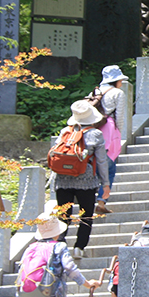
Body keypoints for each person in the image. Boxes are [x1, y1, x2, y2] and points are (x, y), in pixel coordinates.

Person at [54, 100, 111, 260]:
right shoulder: (95, 134)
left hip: (63, 180)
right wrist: (105, 183)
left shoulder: (65, 131)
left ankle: (60, 243)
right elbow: (101, 161)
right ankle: (79, 247)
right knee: (86, 215)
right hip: (86, 181)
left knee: (63, 213)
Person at [93, 65, 127, 213]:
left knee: (94, 166)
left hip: (93, 130)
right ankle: (101, 201)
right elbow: (119, 116)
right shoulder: (118, 93)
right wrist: (119, 132)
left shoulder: (95, 91)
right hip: (108, 130)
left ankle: (91, 198)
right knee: (109, 168)